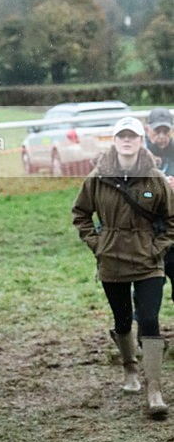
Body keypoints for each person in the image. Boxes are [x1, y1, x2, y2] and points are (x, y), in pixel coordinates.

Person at [72, 116, 174, 418]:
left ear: (141, 141)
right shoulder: (96, 177)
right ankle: (130, 368)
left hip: (148, 262)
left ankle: (154, 388)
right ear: (114, 141)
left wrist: (158, 247)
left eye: (133, 136)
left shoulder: (155, 177)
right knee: (122, 319)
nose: (127, 141)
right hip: (112, 261)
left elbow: (171, 220)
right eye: (122, 136)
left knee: (150, 319)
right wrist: (97, 244)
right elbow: (80, 214)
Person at [145, 106, 174, 302]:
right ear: (148, 130)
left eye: (166, 131)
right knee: (148, 291)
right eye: (157, 131)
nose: (162, 136)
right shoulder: (140, 154)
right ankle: (145, 326)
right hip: (149, 232)